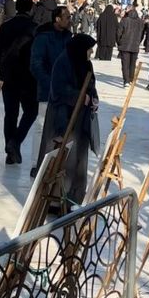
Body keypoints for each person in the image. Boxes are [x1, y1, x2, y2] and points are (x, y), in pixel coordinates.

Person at [39, 34, 99, 204]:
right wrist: (78, 97)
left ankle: (75, 197)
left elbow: (91, 85)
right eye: (89, 49)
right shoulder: (63, 62)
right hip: (63, 117)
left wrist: (93, 98)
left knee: (78, 158)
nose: (91, 53)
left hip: (80, 118)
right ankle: (55, 201)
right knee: (64, 160)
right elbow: (57, 90)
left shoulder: (86, 64)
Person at [0, 0, 38, 164]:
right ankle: (15, 141)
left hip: (8, 76)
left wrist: (2, 69)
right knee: (31, 111)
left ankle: (10, 149)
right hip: (27, 78)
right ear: (30, 8)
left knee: (10, 114)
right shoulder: (34, 28)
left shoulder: (5, 26)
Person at [30, 6, 72, 177]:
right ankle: (36, 162)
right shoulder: (43, 38)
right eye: (67, 17)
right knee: (42, 126)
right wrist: (49, 83)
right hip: (47, 91)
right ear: (57, 19)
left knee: (62, 129)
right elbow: (36, 64)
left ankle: (55, 163)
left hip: (66, 92)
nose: (70, 20)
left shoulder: (69, 38)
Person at [117, 9, 144, 87]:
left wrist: (119, 42)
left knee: (125, 64)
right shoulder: (140, 22)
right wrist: (138, 41)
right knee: (132, 64)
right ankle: (131, 79)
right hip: (135, 45)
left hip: (125, 45)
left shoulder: (124, 20)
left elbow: (118, 33)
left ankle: (126, 80)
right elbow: (142, 34)